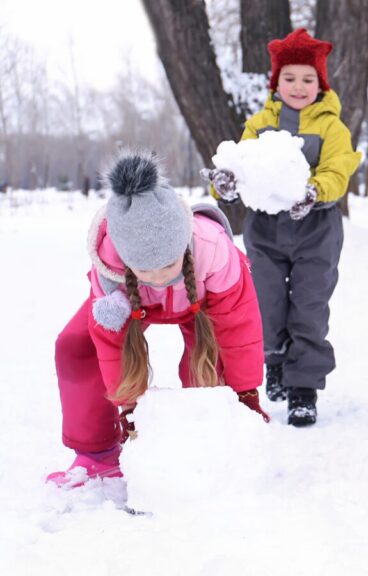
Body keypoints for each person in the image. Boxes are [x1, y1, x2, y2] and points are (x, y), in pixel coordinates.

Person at [47, 152, 269, 488]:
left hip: (200, 303)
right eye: (145, 270)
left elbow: (239, 328)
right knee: (76, 345)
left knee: (211, 362)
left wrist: (245, 394)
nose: (160, 278)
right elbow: (111, 344)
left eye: (168, 265)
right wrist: (128, 408)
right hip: (137, 305)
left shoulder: (212, 249)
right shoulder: (110, 265)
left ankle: (214, 441)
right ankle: (98, 455)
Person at [202, 28, 361, 427]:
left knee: (309, 306)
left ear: (321, 84)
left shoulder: (332, 128)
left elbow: (338, 169)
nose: (298, 86)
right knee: (265, 301)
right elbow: (238, 167)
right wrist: (225, 184)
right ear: (276, 82)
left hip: (316, 228)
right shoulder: (258, 125)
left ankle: (303, 387)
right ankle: (273, 359)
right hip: (267, 229)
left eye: (308, 79)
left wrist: (315, 191)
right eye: (289, 78)